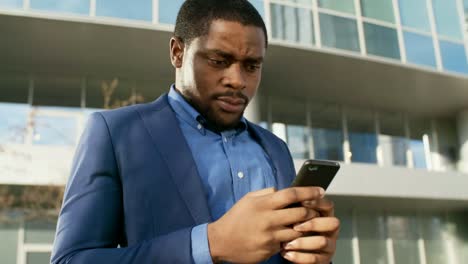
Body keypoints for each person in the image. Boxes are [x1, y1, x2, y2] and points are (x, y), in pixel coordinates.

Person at [51, 0, 340, 263]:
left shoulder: (275, 147)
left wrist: (313, 254)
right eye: (219, 61)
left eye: (251, 66)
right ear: (178, 53)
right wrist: (211, 243)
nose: (237, 80)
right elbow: (71, 260)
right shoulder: (117, 133)